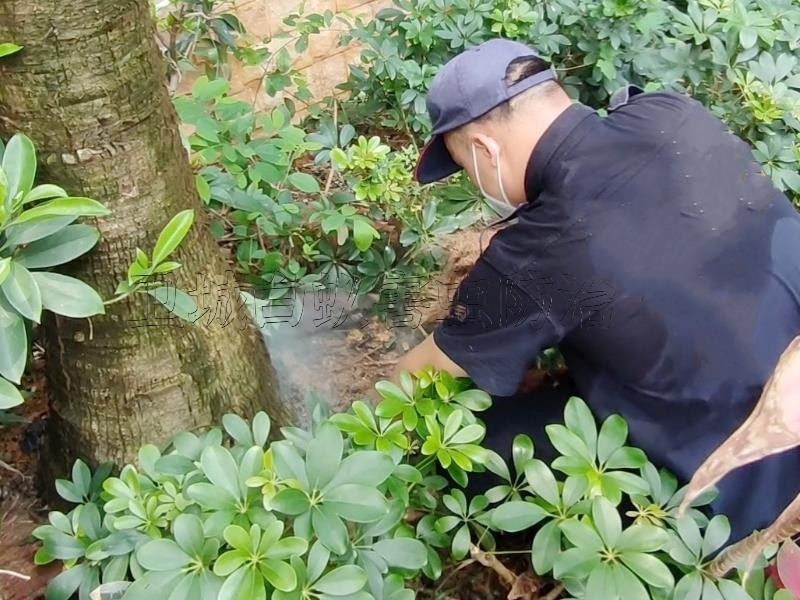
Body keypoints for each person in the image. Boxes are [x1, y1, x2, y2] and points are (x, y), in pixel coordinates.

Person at [393, 38, 800, 543]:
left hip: (732, 496)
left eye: (465, 166)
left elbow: (416, 380)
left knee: (472, 448)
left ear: (484, 150)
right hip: (785, 382)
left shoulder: (540, 249)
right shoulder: (673, 113)